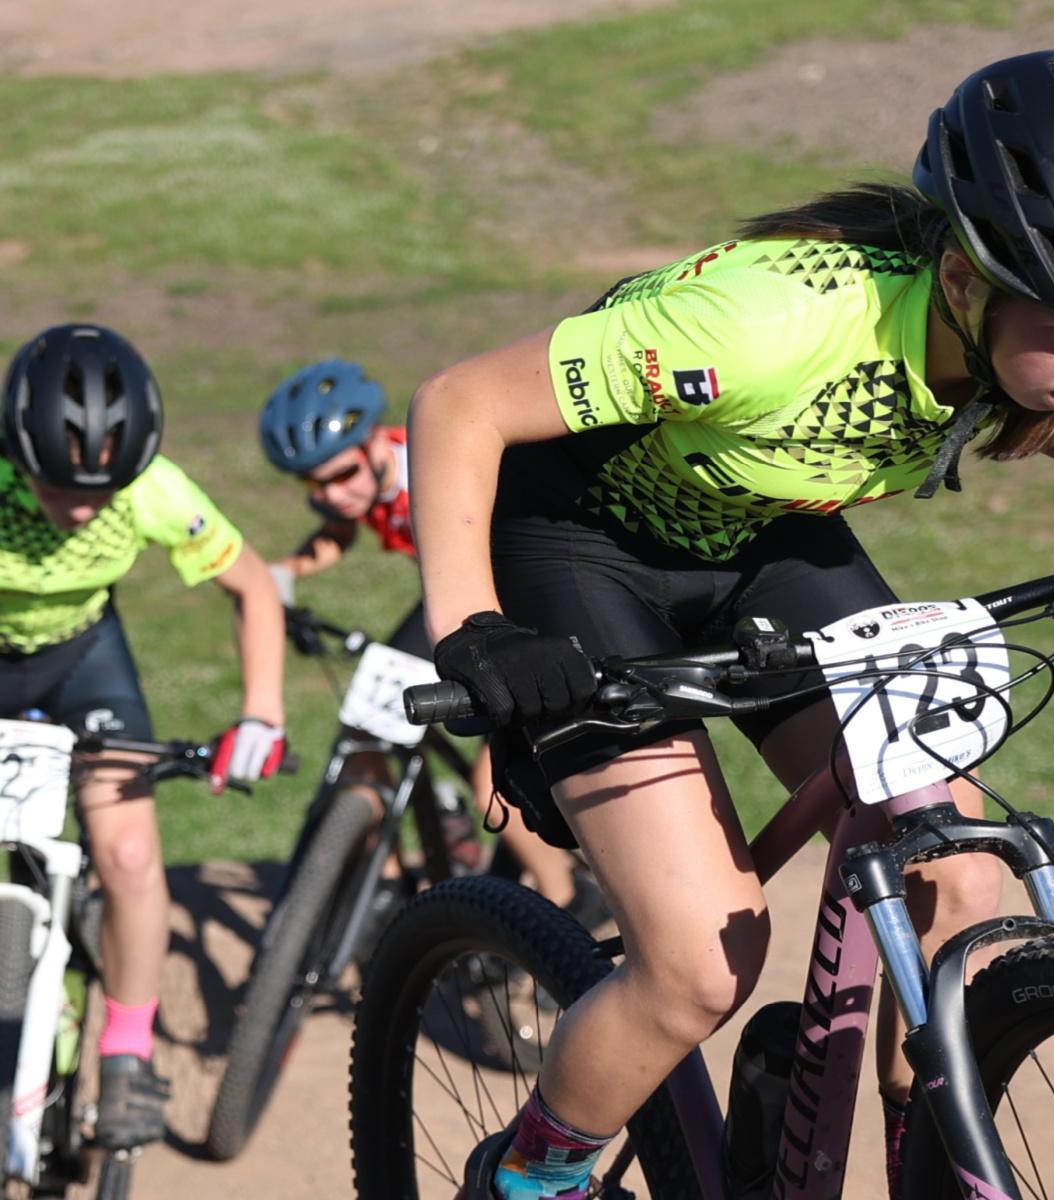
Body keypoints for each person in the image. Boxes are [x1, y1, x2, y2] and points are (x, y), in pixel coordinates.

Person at [408, 50, 1054, 1200]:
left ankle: (927, 1165)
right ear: (969, 280)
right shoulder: (761, 326)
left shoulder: (990, 337)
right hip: (582, 546)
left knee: (958, 875)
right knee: (698, 965)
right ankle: (528, 1180)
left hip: (769, 538)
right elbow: (460, 403)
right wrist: (471, 629)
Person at [0, 323, 288, 1148]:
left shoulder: (155, 490)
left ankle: (126, 1050)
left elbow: (254, 589)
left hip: (83, 656)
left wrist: (261, 713)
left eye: (104, 490)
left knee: (128, 854)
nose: (84, 508)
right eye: (60, 488)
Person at [257, 360, 605, 924]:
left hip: (516, 588)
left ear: (375, 443)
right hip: (459, 592)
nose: (334, 496)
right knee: (367, 729)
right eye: (315, 487)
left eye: (342, 476)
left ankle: (569, 899)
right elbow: (340, 530)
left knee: (493, 777)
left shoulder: (428, 469)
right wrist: (284, 572)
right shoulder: (363, 483)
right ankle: (385, 881)